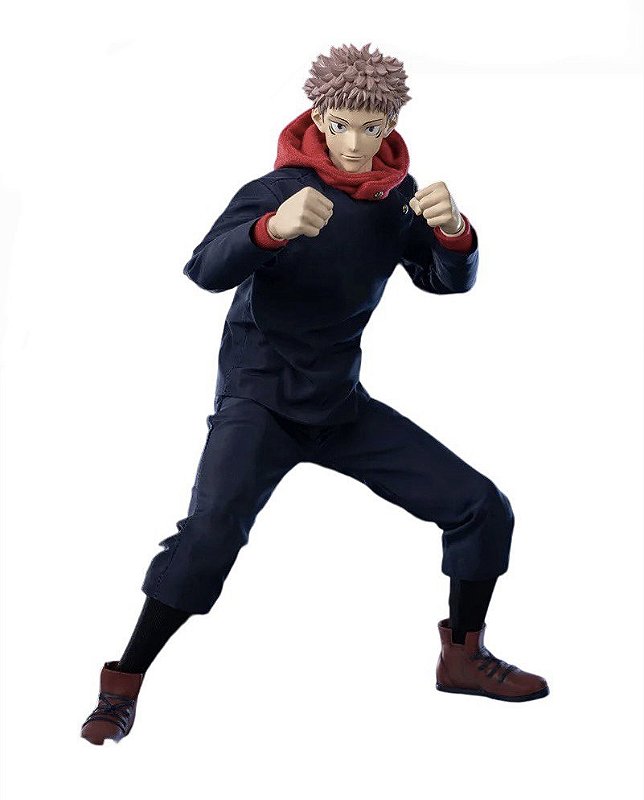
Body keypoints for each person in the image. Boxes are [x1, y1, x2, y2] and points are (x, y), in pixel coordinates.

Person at [81, 42, 548, 746]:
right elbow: (204, 269)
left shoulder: (398, 199)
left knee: (482, 506)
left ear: (391, 124)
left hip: (338, 404)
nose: (355, 144)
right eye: (340, 125)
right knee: (208, 537)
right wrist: (269, 231)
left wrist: (455, 234)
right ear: (319, 117)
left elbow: (444, 282)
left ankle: (462, 658)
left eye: (371, 127)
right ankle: (123, 684)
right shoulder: (279, 189)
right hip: (259, 399)